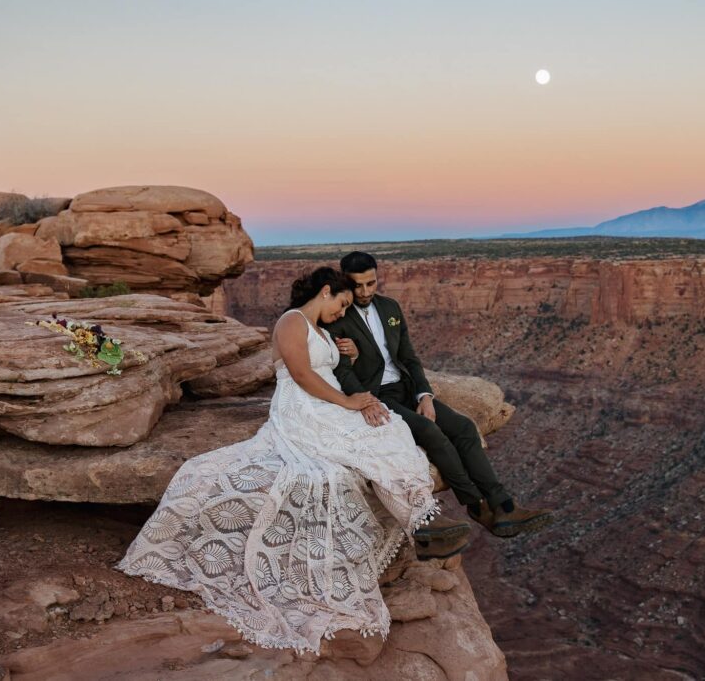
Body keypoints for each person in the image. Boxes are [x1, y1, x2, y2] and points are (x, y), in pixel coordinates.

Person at [116, 266, 465, 654]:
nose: (342, 311)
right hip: (305, 406)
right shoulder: (291, 321)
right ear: (326, 291)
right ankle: (422, 523)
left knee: (391, 429)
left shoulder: (323, 330)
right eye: (342, 303)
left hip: (329, 399)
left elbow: (334, 368)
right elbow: (300, 374)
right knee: (338, 460)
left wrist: (348, 361)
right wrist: (348, 402)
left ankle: (422, 520)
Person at [323, 251, 553, 539]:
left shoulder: (390, 308)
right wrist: (364, 399)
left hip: (406, 387)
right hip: (378, 394)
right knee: (429, 431)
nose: (365, 291)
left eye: (371, 283)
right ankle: (477, 505)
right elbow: (343, 371)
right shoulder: (338, 317)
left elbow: (408, 356)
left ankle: (504, 505)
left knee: (465, 428)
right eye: (358, 285)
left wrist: (425, 395)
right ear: (346, 282)